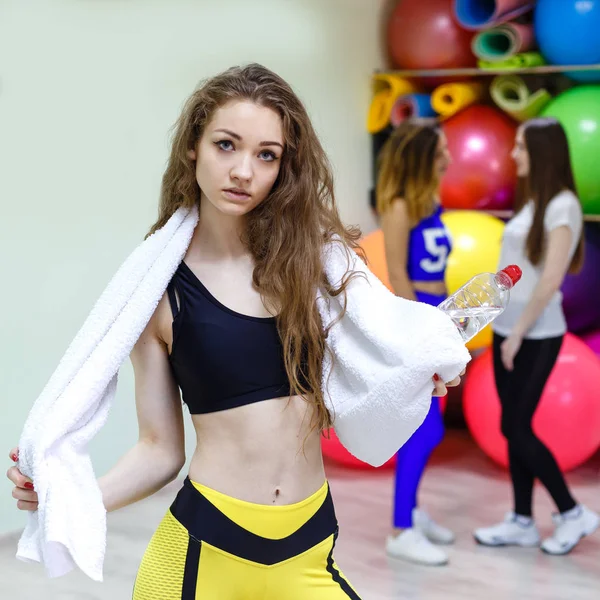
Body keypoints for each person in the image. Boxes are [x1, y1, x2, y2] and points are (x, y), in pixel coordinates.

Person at [6, 64, 464, 599]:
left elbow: (368, 361)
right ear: (193, 150)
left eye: (266, 154)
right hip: (204, 555)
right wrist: (73, 498)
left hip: (309, 547)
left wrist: (410, 375)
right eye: (227, 145)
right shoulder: (156, 296)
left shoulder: (314, 265)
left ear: (282, 167)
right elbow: (160, 451)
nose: (244, 170)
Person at [473, 117, 599, 555]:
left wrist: (518, 334)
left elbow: (550, 281)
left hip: (537, 334)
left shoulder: (563, 205)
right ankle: (522, 519)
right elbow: (518, 270)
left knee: (514, 424)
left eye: (522, 147)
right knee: (514, 428)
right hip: (508, 329)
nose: (513, 154)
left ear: (543, 153)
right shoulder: (533, 202)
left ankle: (570, 512)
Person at [375, 119, 455, 566]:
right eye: (442, 149)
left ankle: (413, 510)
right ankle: (400, 528)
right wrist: (418, 329)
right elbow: (399, 274)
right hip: (418, 313)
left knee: (432, 423)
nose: (449, 156)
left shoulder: (432, 201)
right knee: (424, 429)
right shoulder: (400, 206)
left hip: (439, 310)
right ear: (425, 156)